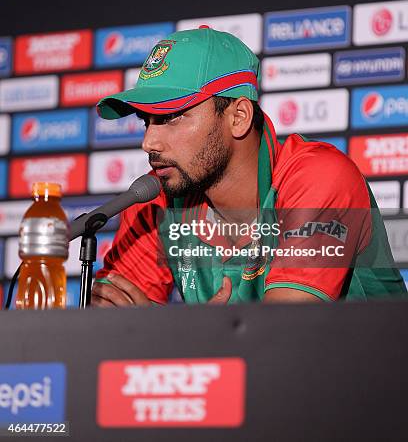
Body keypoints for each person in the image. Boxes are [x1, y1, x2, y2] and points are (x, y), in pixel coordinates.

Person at [91, 26, 406, 306]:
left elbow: (279, 343)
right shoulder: (156, 196)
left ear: (238, 117)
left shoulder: (319, 177)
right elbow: (110, 336)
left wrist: (177, 341)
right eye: (146, 121)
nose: (149, 143)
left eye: (171, 117)